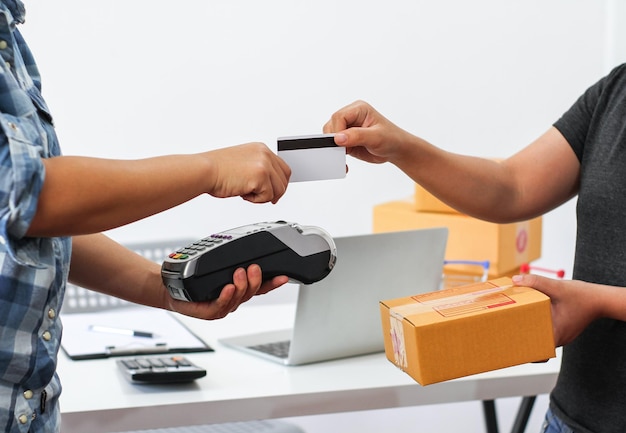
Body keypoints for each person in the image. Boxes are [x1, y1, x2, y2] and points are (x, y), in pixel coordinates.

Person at [0, 1, 291, 432]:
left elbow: (35, 226)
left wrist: (164, 290)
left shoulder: (9, 30)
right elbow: (27, 195)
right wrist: (209, 169)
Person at [324, 63, 626, 433]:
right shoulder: (617, 91)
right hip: (573, 418)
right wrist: (398, 146)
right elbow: (511, 186)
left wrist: (597, 302)